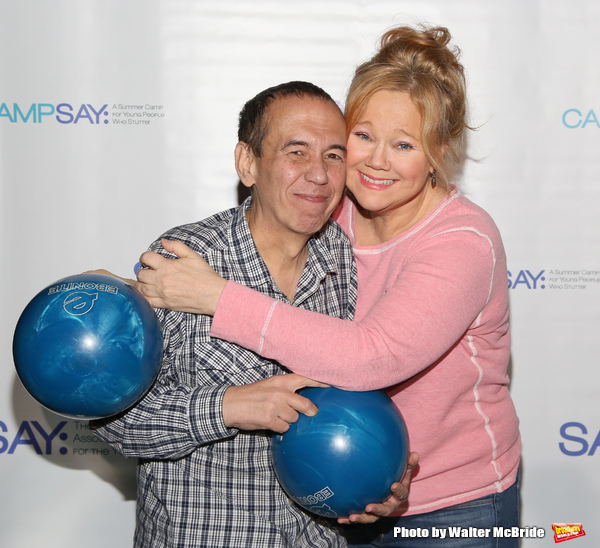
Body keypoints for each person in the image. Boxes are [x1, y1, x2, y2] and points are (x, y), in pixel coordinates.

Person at [132, 26, 521, 547]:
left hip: (454, 505)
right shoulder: (326, 216)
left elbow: (368, 359)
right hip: (337, 496)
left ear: (438, 153)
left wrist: (215, 297)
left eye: (404, 144)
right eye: (362, 137)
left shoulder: (462, 241)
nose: (377, 161)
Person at [92, 81, 416, 548]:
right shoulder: (186, 259)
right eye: (296, 152)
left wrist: (374, 487)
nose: (320, 176)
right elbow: (114, 422)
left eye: (334, 155)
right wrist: (226, 407)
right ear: (248, 163)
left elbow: (358, 403)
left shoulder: (344, 259)